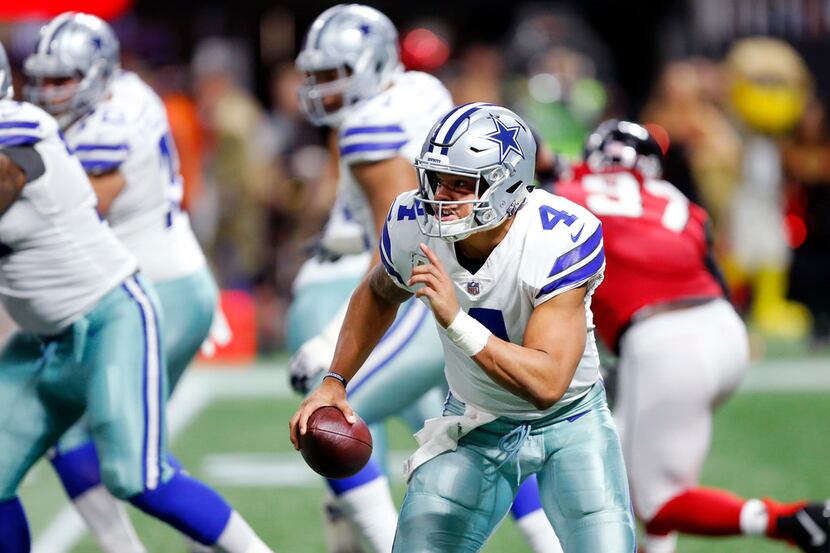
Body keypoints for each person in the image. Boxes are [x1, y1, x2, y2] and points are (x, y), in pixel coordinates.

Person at [290, 104, 636, 552]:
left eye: (460, 184)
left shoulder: (556, 236)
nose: (441, 195)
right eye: (436, 178)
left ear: (507, 183)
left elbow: (547, 383)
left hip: (568, 420)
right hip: (477, 420)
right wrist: (335, 381)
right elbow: (378, 291)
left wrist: (455, 320)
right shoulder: (415, 223)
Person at [289, 5, 560, 552]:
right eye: (314, 75)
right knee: (473, 423)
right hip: (456, 279)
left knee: (332, 419)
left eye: (331, 74)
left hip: (406, 286)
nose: (319, 89)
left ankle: (387, 538)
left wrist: (328, 342)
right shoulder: (423, 90)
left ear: (369, 65)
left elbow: (393, 240)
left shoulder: (369, 128)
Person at [0, 41, 271, 553]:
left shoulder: (22, 131)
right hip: (46, 333)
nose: (53, 91)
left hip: (112, 317)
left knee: (136, 475)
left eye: (65, 80)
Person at [554, 119, 830, 553]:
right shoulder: (674, 200)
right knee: (623, 458)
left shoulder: (565, 196)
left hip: (663, 341)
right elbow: (711, 271)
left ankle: (795, 520)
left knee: (658, 502)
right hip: (723, 329)